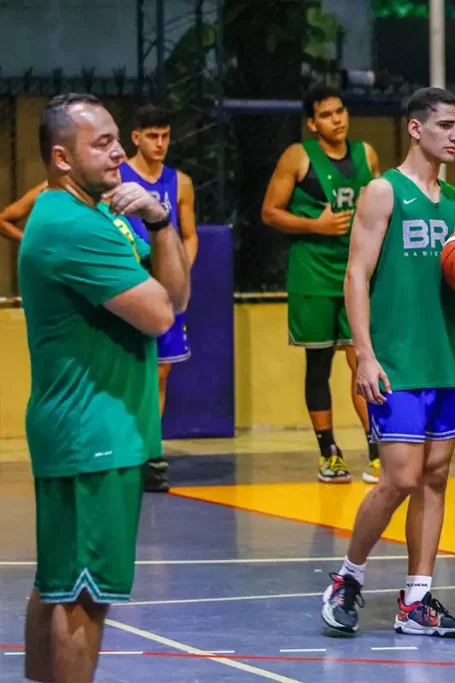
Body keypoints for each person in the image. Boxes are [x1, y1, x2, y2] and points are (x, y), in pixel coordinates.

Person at [19, 93, 190, 683]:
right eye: (103, 143)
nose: (121, 151)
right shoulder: (72, 226)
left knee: (59, 584)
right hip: (92, 429)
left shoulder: (101, 214)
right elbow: (161, 314)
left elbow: (178, 295)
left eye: (119, 138)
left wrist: (159, 219)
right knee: (84, 596)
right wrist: (158, 226)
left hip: (94, 428)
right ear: (62, 158)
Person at [320, 86, 455, 638]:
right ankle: (348, 577)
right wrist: (364, 355)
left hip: (446, 356)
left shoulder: (454, 200)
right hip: (396, 359)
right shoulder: (383, 192)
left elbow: (451, 272)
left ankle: (417, 599)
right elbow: (355, 275)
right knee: (400, 478)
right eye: (445, 126)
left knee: (435, 478)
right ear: (415, 128)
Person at [262, 84, 381, 485]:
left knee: (362, 358)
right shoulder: (298, 157)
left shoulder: (366, 155)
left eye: (341, 111)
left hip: (356, 273)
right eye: (328, 115)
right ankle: (328, 451)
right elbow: (270, 212)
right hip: (313, 273)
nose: (339, 119)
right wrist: (315, 225)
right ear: (313, 124)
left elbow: (383, 208)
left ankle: (377, 448)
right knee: (319, 363)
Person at [118, 104, 198, 492]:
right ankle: (126, 449)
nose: (161, 143)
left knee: (161, 373)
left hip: (165, 291)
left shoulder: (179, 181)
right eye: (152, 136)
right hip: (128, 285)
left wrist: (180, 271)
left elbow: (189, 234)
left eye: (165, 135)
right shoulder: (116, 176)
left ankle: (151, 453)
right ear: (135, 137)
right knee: (131, 369)